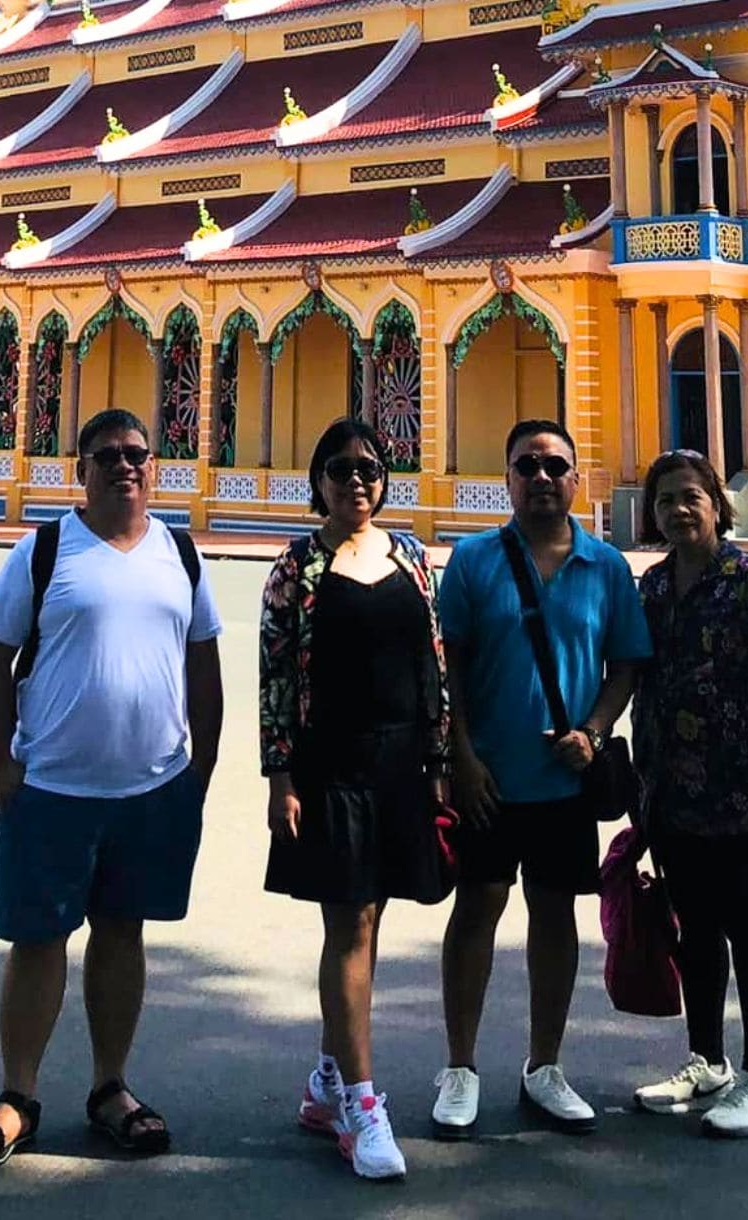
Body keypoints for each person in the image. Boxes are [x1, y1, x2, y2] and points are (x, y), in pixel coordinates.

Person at [0, 408, 224, 1172]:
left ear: (155, 465)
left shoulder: (178, 552)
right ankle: (18, 1095)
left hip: (151, 786)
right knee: (38, 940)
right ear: (82, 468)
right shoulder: (43, 551)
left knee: (122, 934)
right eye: (106, 456)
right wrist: (0, 763)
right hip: (53, 785)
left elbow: (203, 665)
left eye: (136, 454)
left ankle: (111, 1089)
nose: (123, 466)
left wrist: (200, 768)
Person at [432, 420, 650, 1139]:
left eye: (556, 466)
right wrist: (460, 757)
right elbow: (450, 667)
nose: (543, 478)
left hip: (564, 784)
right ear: (508, 479)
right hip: (490, 778)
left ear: (576, 479)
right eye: (527, 465)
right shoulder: (472, 561)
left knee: (555, 917)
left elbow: (625, 665)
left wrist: (593, 732)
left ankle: (544, 1066)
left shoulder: (607, 567)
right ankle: (460, 1067)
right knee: (477, 912)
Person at [261, 417, 451, 1182]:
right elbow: (275, 676)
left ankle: (328, 1078)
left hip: (401, 761)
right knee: (351, 921)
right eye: (339, 469)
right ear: (318, 482)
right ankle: (363, 1108)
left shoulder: (410, 557)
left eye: (369, 468)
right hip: (329, 762)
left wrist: (439, 761)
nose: (356, 482)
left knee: (374, 922)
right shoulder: (296, 567)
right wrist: (279, 776)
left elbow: (433, 658)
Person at [630, 450, 748, 1139]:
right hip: (672, 786)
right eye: (666, 499)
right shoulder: (652, 586)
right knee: (695, 929)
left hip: (740, 785)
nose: (678, 510)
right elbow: (632, 673)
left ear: (716, 506)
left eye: (690, 497)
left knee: (747, 923)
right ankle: (707, 1059)